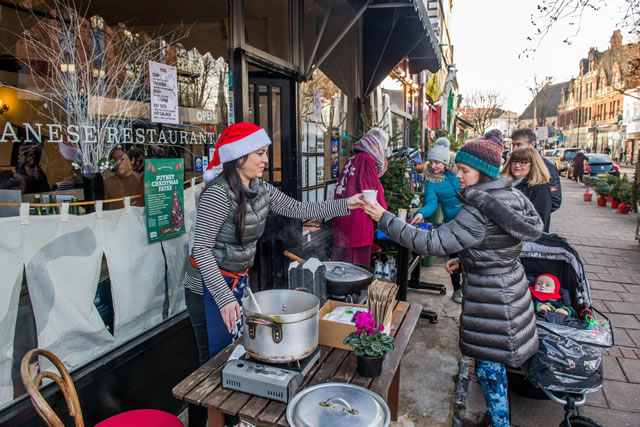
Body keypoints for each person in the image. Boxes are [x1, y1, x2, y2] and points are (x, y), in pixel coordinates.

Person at [362, 129, 543, 427]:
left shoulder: (478, 211)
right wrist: (465, 258)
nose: (458, 175)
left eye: (464, 170)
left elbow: (429, 243)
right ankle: (497, 419)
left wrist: (384, 217)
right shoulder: (510, 196)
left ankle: (500, 423)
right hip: (510, 289)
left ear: (483, 172)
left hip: (491, 300)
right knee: (493, 366)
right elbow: (498, 244)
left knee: (488, 370)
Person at [184, 123, 364, 366]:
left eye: (266, 153)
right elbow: (201, 249)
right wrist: (224, 297)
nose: (266, 160)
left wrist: (347, 204)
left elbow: (299, 209)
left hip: (236, 281)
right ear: (239, 157)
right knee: (212, 360)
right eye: (260, 153)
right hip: (207, 285)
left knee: (234, 351)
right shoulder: (217, 194)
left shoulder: (262, 189)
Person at [410, 137, 464, 303]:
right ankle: (457, 289)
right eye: (431, 162)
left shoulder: (459, 170)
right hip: (453, 222)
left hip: (470, 217)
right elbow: (432, 203)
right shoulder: (431, 180)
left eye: (438, 163)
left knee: (471, 254)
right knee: (454, 254)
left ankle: (471, 288)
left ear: (446, 162)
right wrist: (421, 213)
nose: (433, 166)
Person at [332, 128, 388, 266]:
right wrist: (385, 215)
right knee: (356, 270)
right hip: (357, 225)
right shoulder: (366, 159)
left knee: (340, 267)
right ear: (377, 146)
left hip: (342, 221)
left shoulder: (352, 158)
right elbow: (372, 191)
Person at [501, 146, 552, 232]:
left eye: (523, 162)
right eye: (514, 161)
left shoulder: (540, 188)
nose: (517, 165)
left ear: (533, 165)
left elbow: (540, 220)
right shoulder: (503, 184)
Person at [511, 128, 561, 212]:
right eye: (513, 145)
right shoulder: (512, 163)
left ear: (532, 144)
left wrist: (529, 213)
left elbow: (555, 200)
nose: (515, 148)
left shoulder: (547, 166)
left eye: (519, 145)